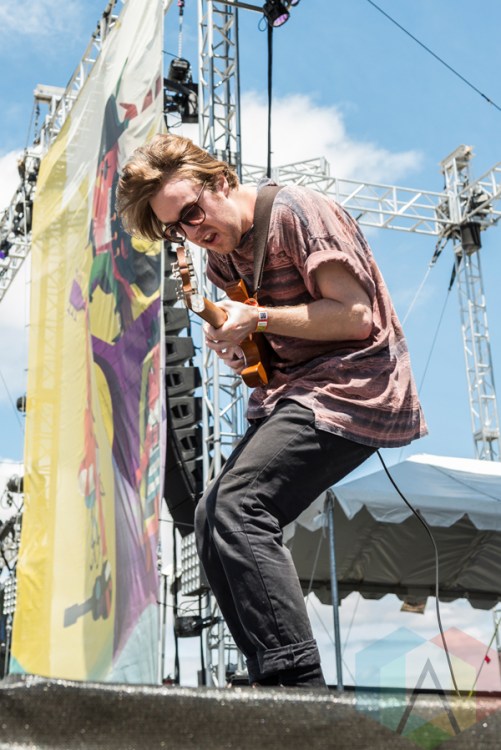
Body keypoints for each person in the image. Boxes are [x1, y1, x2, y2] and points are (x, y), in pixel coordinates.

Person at [116, 133, 427, 689]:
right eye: (175, 228)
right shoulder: (219, 258)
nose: (192, 232)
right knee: (209, 517)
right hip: (296, 393)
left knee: (240, 506)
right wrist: (242, 350)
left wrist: (256, 319)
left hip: (355, 387)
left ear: (221, 181)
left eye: (191, 212)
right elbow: (267, 351)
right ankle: (270, 676)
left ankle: (297, 683)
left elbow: (356, 316)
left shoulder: (297, 213)